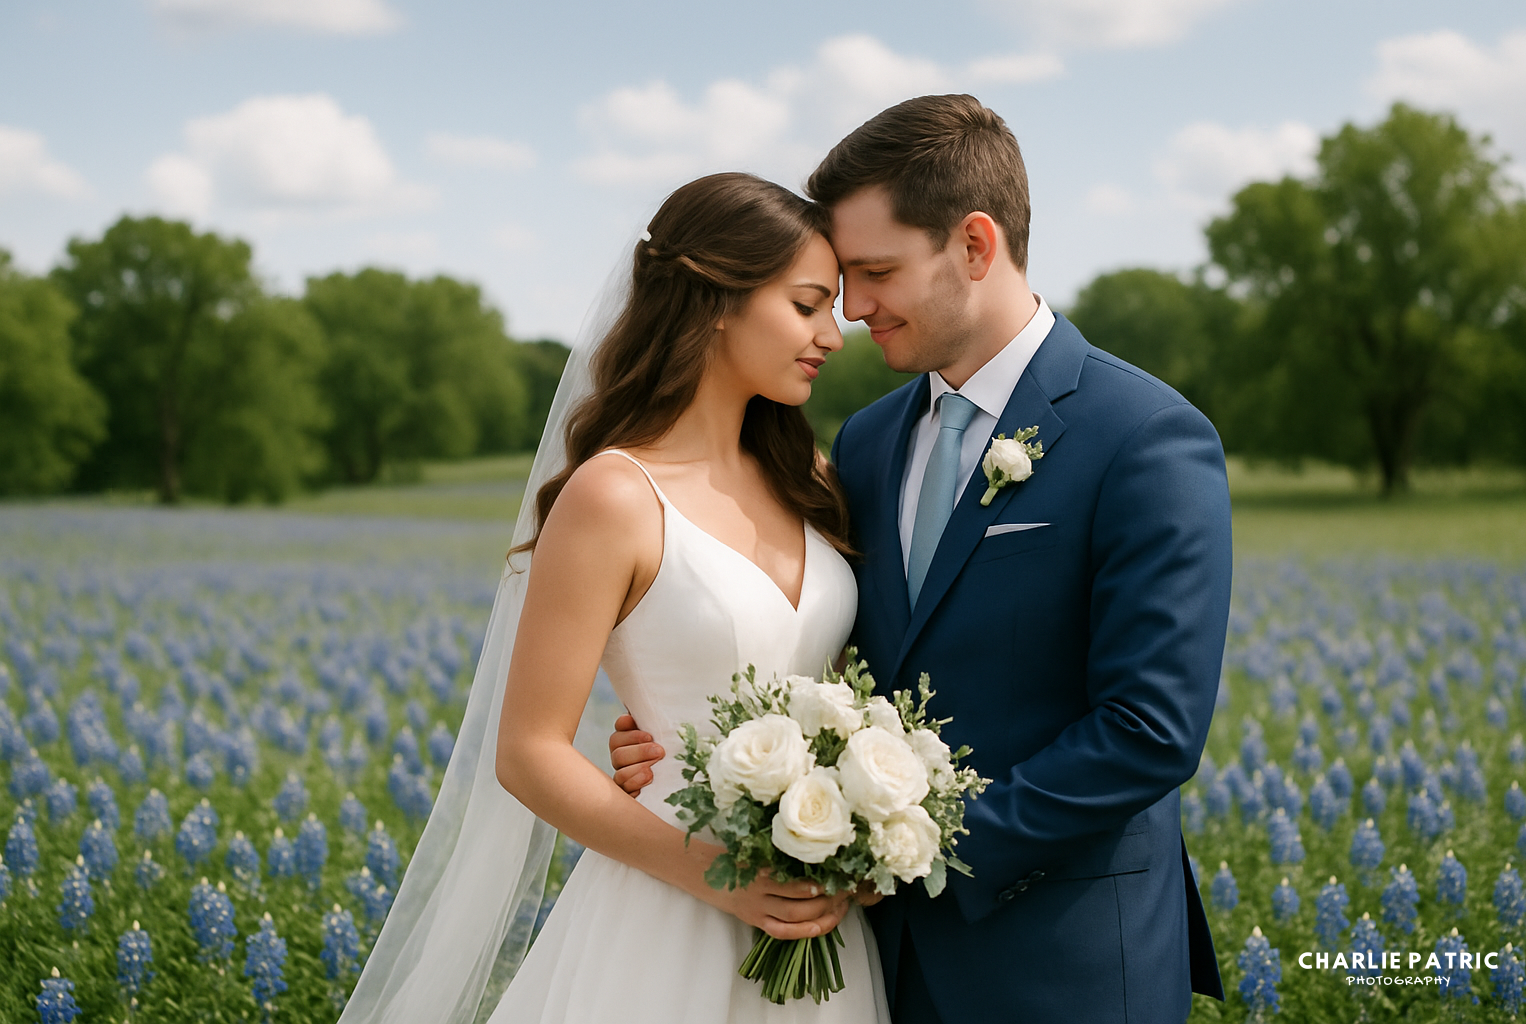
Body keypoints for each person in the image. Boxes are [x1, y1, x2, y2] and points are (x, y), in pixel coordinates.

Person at [611, 94, 1231, 1023]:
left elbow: (1149, 728)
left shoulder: (1144, 437)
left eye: (876, 272)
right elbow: (829, 653)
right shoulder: (863, 442)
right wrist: (695, 752)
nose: (853, 310)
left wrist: (908, 846)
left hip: (1061, 958)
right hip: (870, 962)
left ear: (975, 246)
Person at [338, 170, 890, 1024]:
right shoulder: (615, 494)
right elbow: (528, 751)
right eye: (809, 305)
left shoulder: (811, 480)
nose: (835, 334)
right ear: (716, 301)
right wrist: (719, 874)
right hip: (668, 901)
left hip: (816, 908)